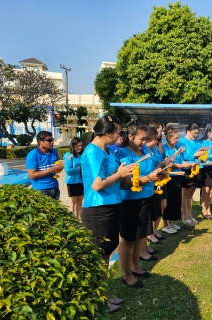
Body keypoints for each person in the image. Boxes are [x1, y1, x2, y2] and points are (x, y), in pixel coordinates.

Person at [80, 115, 135, 312]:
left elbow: (112, 176)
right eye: (119, 132)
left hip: (111, 206)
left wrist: (123, 173)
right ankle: (99, 299)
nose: (121, 135)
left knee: (105, 254)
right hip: (98, 210)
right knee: (99, 256)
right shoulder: (93, 152)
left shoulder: (108, 151)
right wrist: (119, 175)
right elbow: (96, 184)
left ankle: (105, 295)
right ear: (109, 133)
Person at [117, 120, 162, 288]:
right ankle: (126, 274)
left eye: (146, 139)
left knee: (140, 236)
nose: (144, 142)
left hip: (146, 197)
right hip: (130, 201)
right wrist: (149, 178)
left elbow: (151, 168)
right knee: (128, 239)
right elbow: (127, 182)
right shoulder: (123, 154)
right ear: (130, 136)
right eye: (142, 139)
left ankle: (135, 266)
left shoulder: (144, 151)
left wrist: (161, 168)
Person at [161, 125, 187, 233]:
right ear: (168, 138)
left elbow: (180, 160)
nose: (177, 140)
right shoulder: (164, 147)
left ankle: (170, 222)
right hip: (169, 177)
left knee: (175, 201)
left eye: (178, 138)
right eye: (175, 138)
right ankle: (165, 224)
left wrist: (184, 164)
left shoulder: (176, 148)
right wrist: (181, 165)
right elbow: (168, 163)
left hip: (178, 176)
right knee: (168, 200)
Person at [178, 123, 205, 226]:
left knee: (191, 195)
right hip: (187, 169)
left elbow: (200, 154)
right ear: (188, 131)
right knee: (185, 194)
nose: (196, 135)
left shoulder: (197, 142)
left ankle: (189, 214)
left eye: (197, 133)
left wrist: (202, 153)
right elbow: (183, 156)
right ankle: (184, 216)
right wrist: (194, 154)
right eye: (194, 133)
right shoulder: (182, 142)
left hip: (197, 168)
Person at [26, 131, 63, 200]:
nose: (52, 142)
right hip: (41, 190)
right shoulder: (33, 155)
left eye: (52, 140)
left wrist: (59, 168)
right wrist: (51, 169)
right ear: (40, 142)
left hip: (54, 187)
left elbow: (55, 170)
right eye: (49, 140)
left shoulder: (54, 152)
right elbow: (31, 175)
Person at [63, 137, 84, 219]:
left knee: (80, 202)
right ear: (73, 146)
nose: (79, 148)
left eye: (81, 146)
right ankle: (71, 221)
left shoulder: (82, 155)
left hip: (81, 181)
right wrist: (78, 168)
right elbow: (68, 170)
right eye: (77, 146)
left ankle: (79, 220)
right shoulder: (68, 156)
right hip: (72, 182)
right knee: (72, 203)